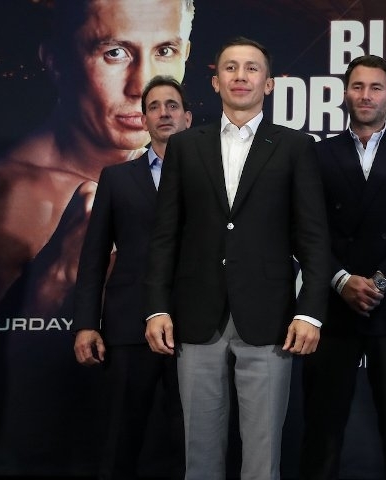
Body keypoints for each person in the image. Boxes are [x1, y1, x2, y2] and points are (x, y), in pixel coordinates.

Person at [143, 37, 330, 480]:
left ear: (268, 83)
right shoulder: (185, 146)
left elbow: (314, 239)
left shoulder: (295, 146)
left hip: (270, 318)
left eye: (251, 68)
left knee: (263, 456)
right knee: (199, 453)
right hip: (196, 316)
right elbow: (165, 236)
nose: (241, 76)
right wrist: (157, 307)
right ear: (215, 81)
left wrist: (310, 313)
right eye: (230, 67)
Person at [0, 0, 194, 315]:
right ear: (57, 62)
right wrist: (57, 278)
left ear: (185, 55)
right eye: (114, 53)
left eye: (165, 51)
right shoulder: (5, 195)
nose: (143, 87)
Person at [298, 55, 386, 480]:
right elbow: (304, 228)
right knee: (322, 431)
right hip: (332, 309)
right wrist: (341, 280)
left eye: (375, 87)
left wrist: (380, 282)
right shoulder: (316, 154)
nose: (366, 95)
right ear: (345, 94)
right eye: (358, 86)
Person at [72, 75, 191, 480]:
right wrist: (86, 323)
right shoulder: (117, 178)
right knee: (120, 440)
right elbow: (93, 257)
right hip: (128, 326)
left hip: (194, 329)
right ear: (143, 120)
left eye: (172, 105)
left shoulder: (211, 180)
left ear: (188, 118)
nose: (164, 113)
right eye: (154, 107)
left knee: (192, 444)